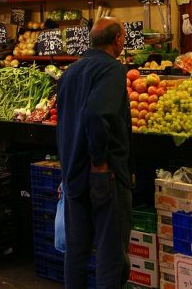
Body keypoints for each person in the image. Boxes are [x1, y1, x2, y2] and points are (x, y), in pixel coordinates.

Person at [56, 17, 134, 289]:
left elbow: (65, 120)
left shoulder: (70, 72)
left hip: (73, 173)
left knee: (76, 251)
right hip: (102, 175)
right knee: (110, 253)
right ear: (117, 40)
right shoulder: (112, 70)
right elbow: (96, 114)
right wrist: (100, 160)